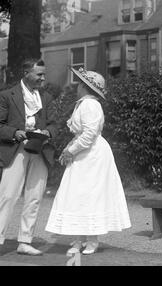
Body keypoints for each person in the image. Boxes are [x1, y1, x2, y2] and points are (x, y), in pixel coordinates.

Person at [45, 67, 131, 255]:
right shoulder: (84, 104)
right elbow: (82, 133)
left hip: (92, 156)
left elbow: (90, 133)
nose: (77, 87)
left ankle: (92, 239)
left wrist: (72, 150)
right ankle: (79, 238)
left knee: (90, 194)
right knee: (77, 194)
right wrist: (69, 149)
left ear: (85, 87)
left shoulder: (90, 105)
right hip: (85, 154)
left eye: (79, 84)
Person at [0, 59, 58, 256]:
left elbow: (54, 124)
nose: (43, 78)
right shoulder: (7, 96)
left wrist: (47, 132)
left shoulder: (46, 97)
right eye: (39, 74)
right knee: (7, 195)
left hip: (40, 149)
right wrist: (15, 132)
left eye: (44, 74)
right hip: (17, 150)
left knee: (34, 198)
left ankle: (25, 241)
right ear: (26, 73)